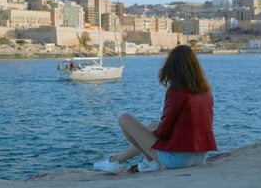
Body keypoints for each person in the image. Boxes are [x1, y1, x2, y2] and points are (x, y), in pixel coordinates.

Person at [93, 45, 217, 173]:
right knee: (153, 125)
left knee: (125, 119)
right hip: (200, 156)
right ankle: (119, 160)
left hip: (177, 160)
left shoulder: (177, 92)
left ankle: (128, 161)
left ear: (172, 68)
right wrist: (152, 130)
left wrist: (148, 135)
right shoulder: (205, 91)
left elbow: (164, 131)